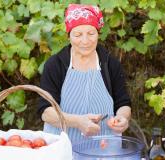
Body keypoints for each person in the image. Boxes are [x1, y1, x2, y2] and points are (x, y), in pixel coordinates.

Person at [38, 4, 131, 145]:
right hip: (63, 149)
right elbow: (46, 112)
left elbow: (123, 103)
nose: (85, 41)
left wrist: (122, 118)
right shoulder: (55, 64)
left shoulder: (110, 64)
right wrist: (77, 122)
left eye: (91, 33)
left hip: (105, 149)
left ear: (98, 33)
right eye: (78, 35)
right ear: (68, 35)